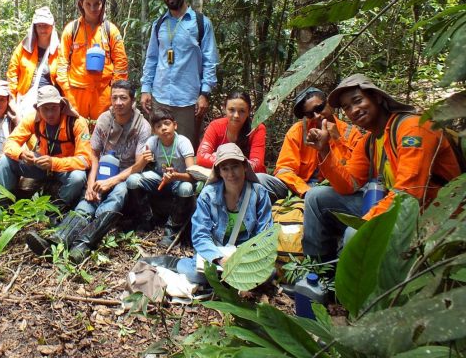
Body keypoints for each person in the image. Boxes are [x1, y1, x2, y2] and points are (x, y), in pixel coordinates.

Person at [303, 74, 461, 261]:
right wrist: (324, 151)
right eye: (346, 107)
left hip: (435, 213)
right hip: (397, 206)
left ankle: (353, 287)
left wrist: (366, 223)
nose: (354, 110)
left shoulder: (412, 128)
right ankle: (319, 272)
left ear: (377, 97)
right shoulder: (369, 141)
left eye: (358, 100)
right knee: (316, 197)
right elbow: (348, 184)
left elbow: (409, 195)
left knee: (356, 234)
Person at [24, 80, 152, 262]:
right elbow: (94, 154)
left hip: (125, 173)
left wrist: (112, 181)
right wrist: (92, 182)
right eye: (114, 97)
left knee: (118, 194)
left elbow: (139, 164)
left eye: (123, 98)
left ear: (133, 100)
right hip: (102, 170)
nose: (118, 102)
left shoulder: (142, 126)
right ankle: (57, 240)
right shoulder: (105, 119)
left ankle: (83, 245)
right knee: (89, 198)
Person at [141, 0, 220, 150]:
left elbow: (210, 61)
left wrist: (205, 93)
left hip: (188, 100)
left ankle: (186, 178)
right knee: (159, 148)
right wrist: (146, 89)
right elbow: (152, 58)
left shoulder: (201, 23)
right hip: (160, 97)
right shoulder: (159, 24)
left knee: (186, 149)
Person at [176, 143, 272, 283]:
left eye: (235, 167)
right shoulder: (208, 195)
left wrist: (249, 259)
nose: (231, 174)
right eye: (225, 169)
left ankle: (227, 281)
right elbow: (200, 235)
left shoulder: (258, 193)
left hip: (246, 253)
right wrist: (221, 259)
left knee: (268, 274)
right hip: (216, 250)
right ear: (219, 172)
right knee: (194, 274)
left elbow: (265, 234)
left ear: (244, 167)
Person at [257, 86, 362, 201]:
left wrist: (337, 139)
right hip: (299, 187)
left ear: (328, 104)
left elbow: (351, 177)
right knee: (260, 179)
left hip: (332, 190)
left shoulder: (351, 133)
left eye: (320, 108)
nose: (317, 116)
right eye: (310, 114)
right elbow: (284, 170)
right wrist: (305, 191)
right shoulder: (298, 131)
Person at [0, 85, 92, 209]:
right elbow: (10, 142)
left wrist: (54, 163)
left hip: (65, 167)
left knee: (78, 177)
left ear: (61, 106)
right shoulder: (33, 119)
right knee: (6, 160)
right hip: (39, 163)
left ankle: (57, 207)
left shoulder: (77, 122)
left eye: (54, 108)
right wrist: (21, 153)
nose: (50, 114)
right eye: (45, 109)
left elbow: (85, 160)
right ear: (38, 108)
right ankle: (3, 204)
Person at [56, 0, 128, 122]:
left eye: (96, 4)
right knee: (78, 133)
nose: (92, 8)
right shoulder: (72, 29)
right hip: (76, 92)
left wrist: (116, 92)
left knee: (103, 134)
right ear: (81, 3)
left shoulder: (110, 30)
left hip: (103, 93)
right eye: (88, 4)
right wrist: (67, 92)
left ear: (102, 3)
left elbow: (121, 63)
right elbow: (62, 63)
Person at [126, 107, 197, 246]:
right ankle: (146, 219)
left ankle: (172, 229)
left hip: (179, 180)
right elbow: (135, 171)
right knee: (133, 180)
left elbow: (192, 175)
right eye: (158, 126)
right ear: (154, 131)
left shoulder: (183, 142)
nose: (163, 128)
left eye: (167, 124)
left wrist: (175, 176)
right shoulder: (153, 142)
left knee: (187, 188)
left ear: (175, 125)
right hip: (160, 178)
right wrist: (143, 161)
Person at [7, 6, 61, 117]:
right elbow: (12, 73)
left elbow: (64, 77)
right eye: (39, 26)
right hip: (25, 101)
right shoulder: (23, 48)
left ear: (52, 26)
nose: (43, 29)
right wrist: (11, 99)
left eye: (46, 25)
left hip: (49, 102)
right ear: (34, 27)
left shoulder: (59, 50)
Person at [196, 91, 266, 174]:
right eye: (231, 110)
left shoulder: (257, 129)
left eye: (242, 111)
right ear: (224, 108)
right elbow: (201, 157)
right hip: (221, 176)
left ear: (249, 112)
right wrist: (235, 164)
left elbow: (256, 164)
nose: (236, 115)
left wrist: (225, 163)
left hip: (249, 177)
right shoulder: (215, 126)